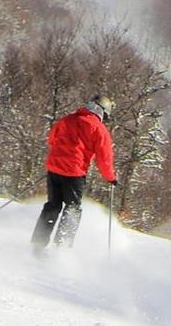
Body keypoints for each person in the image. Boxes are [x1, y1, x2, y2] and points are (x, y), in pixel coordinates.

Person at [31, 95, 116, 252]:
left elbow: (52, 138)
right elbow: (104, 159)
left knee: (53, 205)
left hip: (54, 168)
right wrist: (110, 178)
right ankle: (61, 247)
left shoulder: (67, 119)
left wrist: (60, 155)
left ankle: (38, 243)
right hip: (74, 173)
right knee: (72, 208)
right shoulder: (99, 129)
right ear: (102, 111)